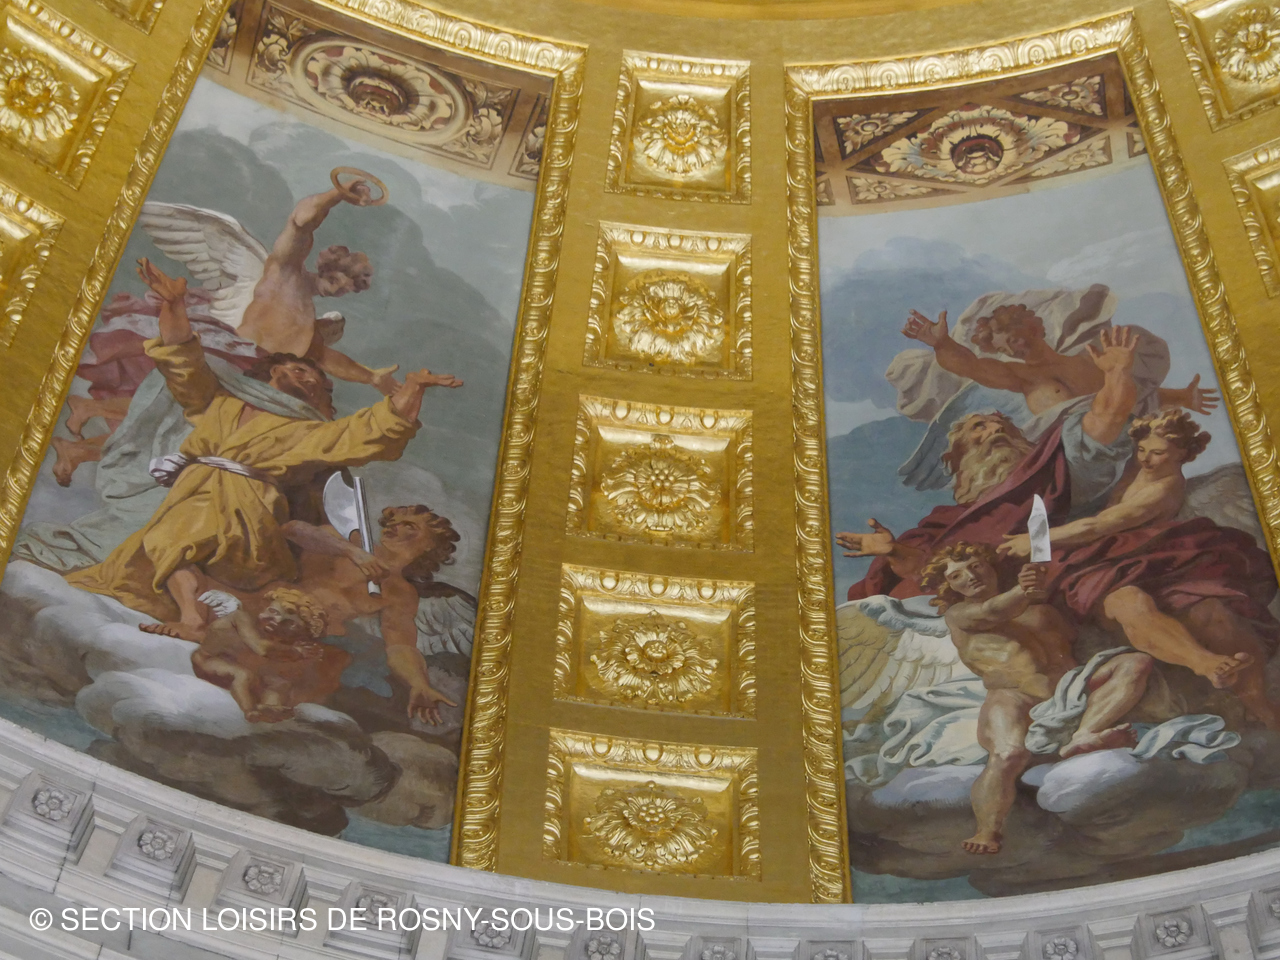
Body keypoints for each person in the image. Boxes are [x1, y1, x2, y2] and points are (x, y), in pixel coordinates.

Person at [64, 259, 462, 642]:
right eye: (301, 370)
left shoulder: (306, 430)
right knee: (163, 544)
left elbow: (367, 432)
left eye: (316, 379)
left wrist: (413, 389)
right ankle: (192, 614)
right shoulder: (222, 403)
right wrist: (173, 305)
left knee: (180, 533)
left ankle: (193, 619)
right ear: (274, 370)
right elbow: (183, 363)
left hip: (250, 514)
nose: (309, 379)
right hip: (193, 494)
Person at [999, 409, 1279, 719]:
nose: (1146, 458)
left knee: (1207, 611)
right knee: (1128, 601)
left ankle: (1228, 679)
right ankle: (1205, 662)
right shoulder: (1139, 464)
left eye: (1158, 453)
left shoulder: (1164, 488)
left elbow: (1102, 525)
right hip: (1109, 561)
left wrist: (1035, 540)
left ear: (1182, 453)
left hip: (1148, 559)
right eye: (1142, 449)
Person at [838, 327, 1144, 597]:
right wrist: (894, 551)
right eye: (979, 428)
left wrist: (1117, 373)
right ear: (959, 457)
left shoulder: (1052, 470)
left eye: (1004, 427)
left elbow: (1105, 420)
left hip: (1050, 575)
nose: (996, 430)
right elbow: (929, 567)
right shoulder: (949, 520)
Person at [920, 541, 1153, 855]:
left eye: (975, 566)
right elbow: (992, 611)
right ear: (948, 587)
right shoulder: (960, 614)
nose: (970, 577)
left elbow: (1078, 643)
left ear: (990, 566)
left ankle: (1084, 733)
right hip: (1015, 697)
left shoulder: (1043, 609)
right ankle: (988, 831)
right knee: (1008, 755)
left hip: (1069, 690)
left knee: (1134, 662)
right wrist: (1023, 589)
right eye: (956, 576)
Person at [270, 504, 466, 725]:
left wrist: (418, 683)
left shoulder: (401, 592)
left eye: (409, 526)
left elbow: (400, 645)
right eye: (393, 522)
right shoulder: (350, 542)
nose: (394, 526)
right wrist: (352, 552)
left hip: (309, 643)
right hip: (272, 614)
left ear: (429, 544)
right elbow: (292, 529)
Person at [902, 305, 1218, 416]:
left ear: (1031, 327)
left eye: (1013, 339)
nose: (1015, 350)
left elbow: (1129, 400)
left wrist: (1181, 397)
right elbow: (972, 366)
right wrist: (942, 343)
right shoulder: (1023, 376)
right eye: (1006, 350)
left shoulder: (1088, 358)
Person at [189, 587, 349, 723]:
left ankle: (271, 708)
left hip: (237, 663)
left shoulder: (274, 635)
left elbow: (276, 659)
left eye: (288, 623)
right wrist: (295, 652)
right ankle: (250, 712)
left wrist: (303, 654)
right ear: (264, 608)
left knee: (279, 682)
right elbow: (262, 648)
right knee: (242, 675)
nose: (277, 621)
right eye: (273, 612)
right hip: (208, 661)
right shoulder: (241, 618)